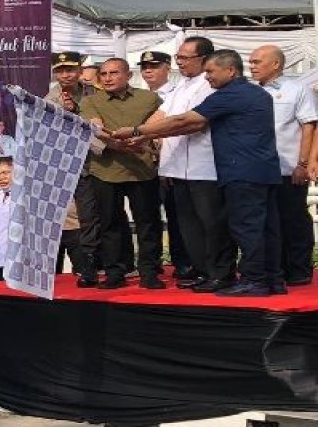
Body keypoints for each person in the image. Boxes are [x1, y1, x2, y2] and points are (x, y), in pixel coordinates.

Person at [119, 50, 282, 296]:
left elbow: (186, 121)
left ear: (230, 70)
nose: (207, 77)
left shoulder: (230, 94)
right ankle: (272, 280)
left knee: (246, 227)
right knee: (265, 227)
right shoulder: (255, 92)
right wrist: (145, 135)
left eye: (211, 72)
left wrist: (136, 131)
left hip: (241, 171)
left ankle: (255, 280)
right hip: (261, 169)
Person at [80, 58, 165, 290]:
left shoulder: (149, 98)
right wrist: (117, 144)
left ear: (128, 75)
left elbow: (159, 128)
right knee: (110, 224)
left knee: (148, 223)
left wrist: (147, 140)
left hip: (143, 171)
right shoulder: (91, 101)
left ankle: (149, 271)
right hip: (105, 171)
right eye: (104, 74)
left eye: (114, 73)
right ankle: (114, 272)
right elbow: (95, 127)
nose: (107, 78)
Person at [155, 37, 231, 292]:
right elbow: (161, 116)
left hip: (205, 168)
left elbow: (189, 122)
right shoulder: (179, 87)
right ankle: (201, 271)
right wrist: (139, 134)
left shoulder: (211, 86)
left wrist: (138, 132)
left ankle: (221, 273)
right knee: (188, 226)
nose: (180, 62)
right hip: (177, 168)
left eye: (186, 57)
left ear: (204, 59)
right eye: (178, 57)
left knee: (212, 224)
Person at [250, 45, 317, 286]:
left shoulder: (296, 89)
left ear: (276, 64)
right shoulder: (249, 92)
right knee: (266, 223)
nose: (252, 66)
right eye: (251, 62)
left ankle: (299, 270)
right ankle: (273, 268)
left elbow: (309, 125)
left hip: (287, 167)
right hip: (257, 171)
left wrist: (303, 163)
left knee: (293, 219)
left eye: (257, 62)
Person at [45, 50, 104, 286]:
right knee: (87, 216)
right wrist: (70, 114)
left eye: (70, 69)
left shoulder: (95, 93)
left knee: (111, 214)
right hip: (76, 166)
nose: (65, 75)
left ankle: (118, 263)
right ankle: (89, 266)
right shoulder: (50, 100)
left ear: (80, 71)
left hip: (104, 161)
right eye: (60, 71)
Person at [138, 48, 194, 282]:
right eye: (144, 67)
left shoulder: (178, 92)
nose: (148, 71)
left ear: (166, 69)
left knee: (178, 217)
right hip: (145, 166)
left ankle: (184, 263)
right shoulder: (138, 96)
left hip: (171, 162)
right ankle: (154, 264)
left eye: (154, 66)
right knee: (149, 217)